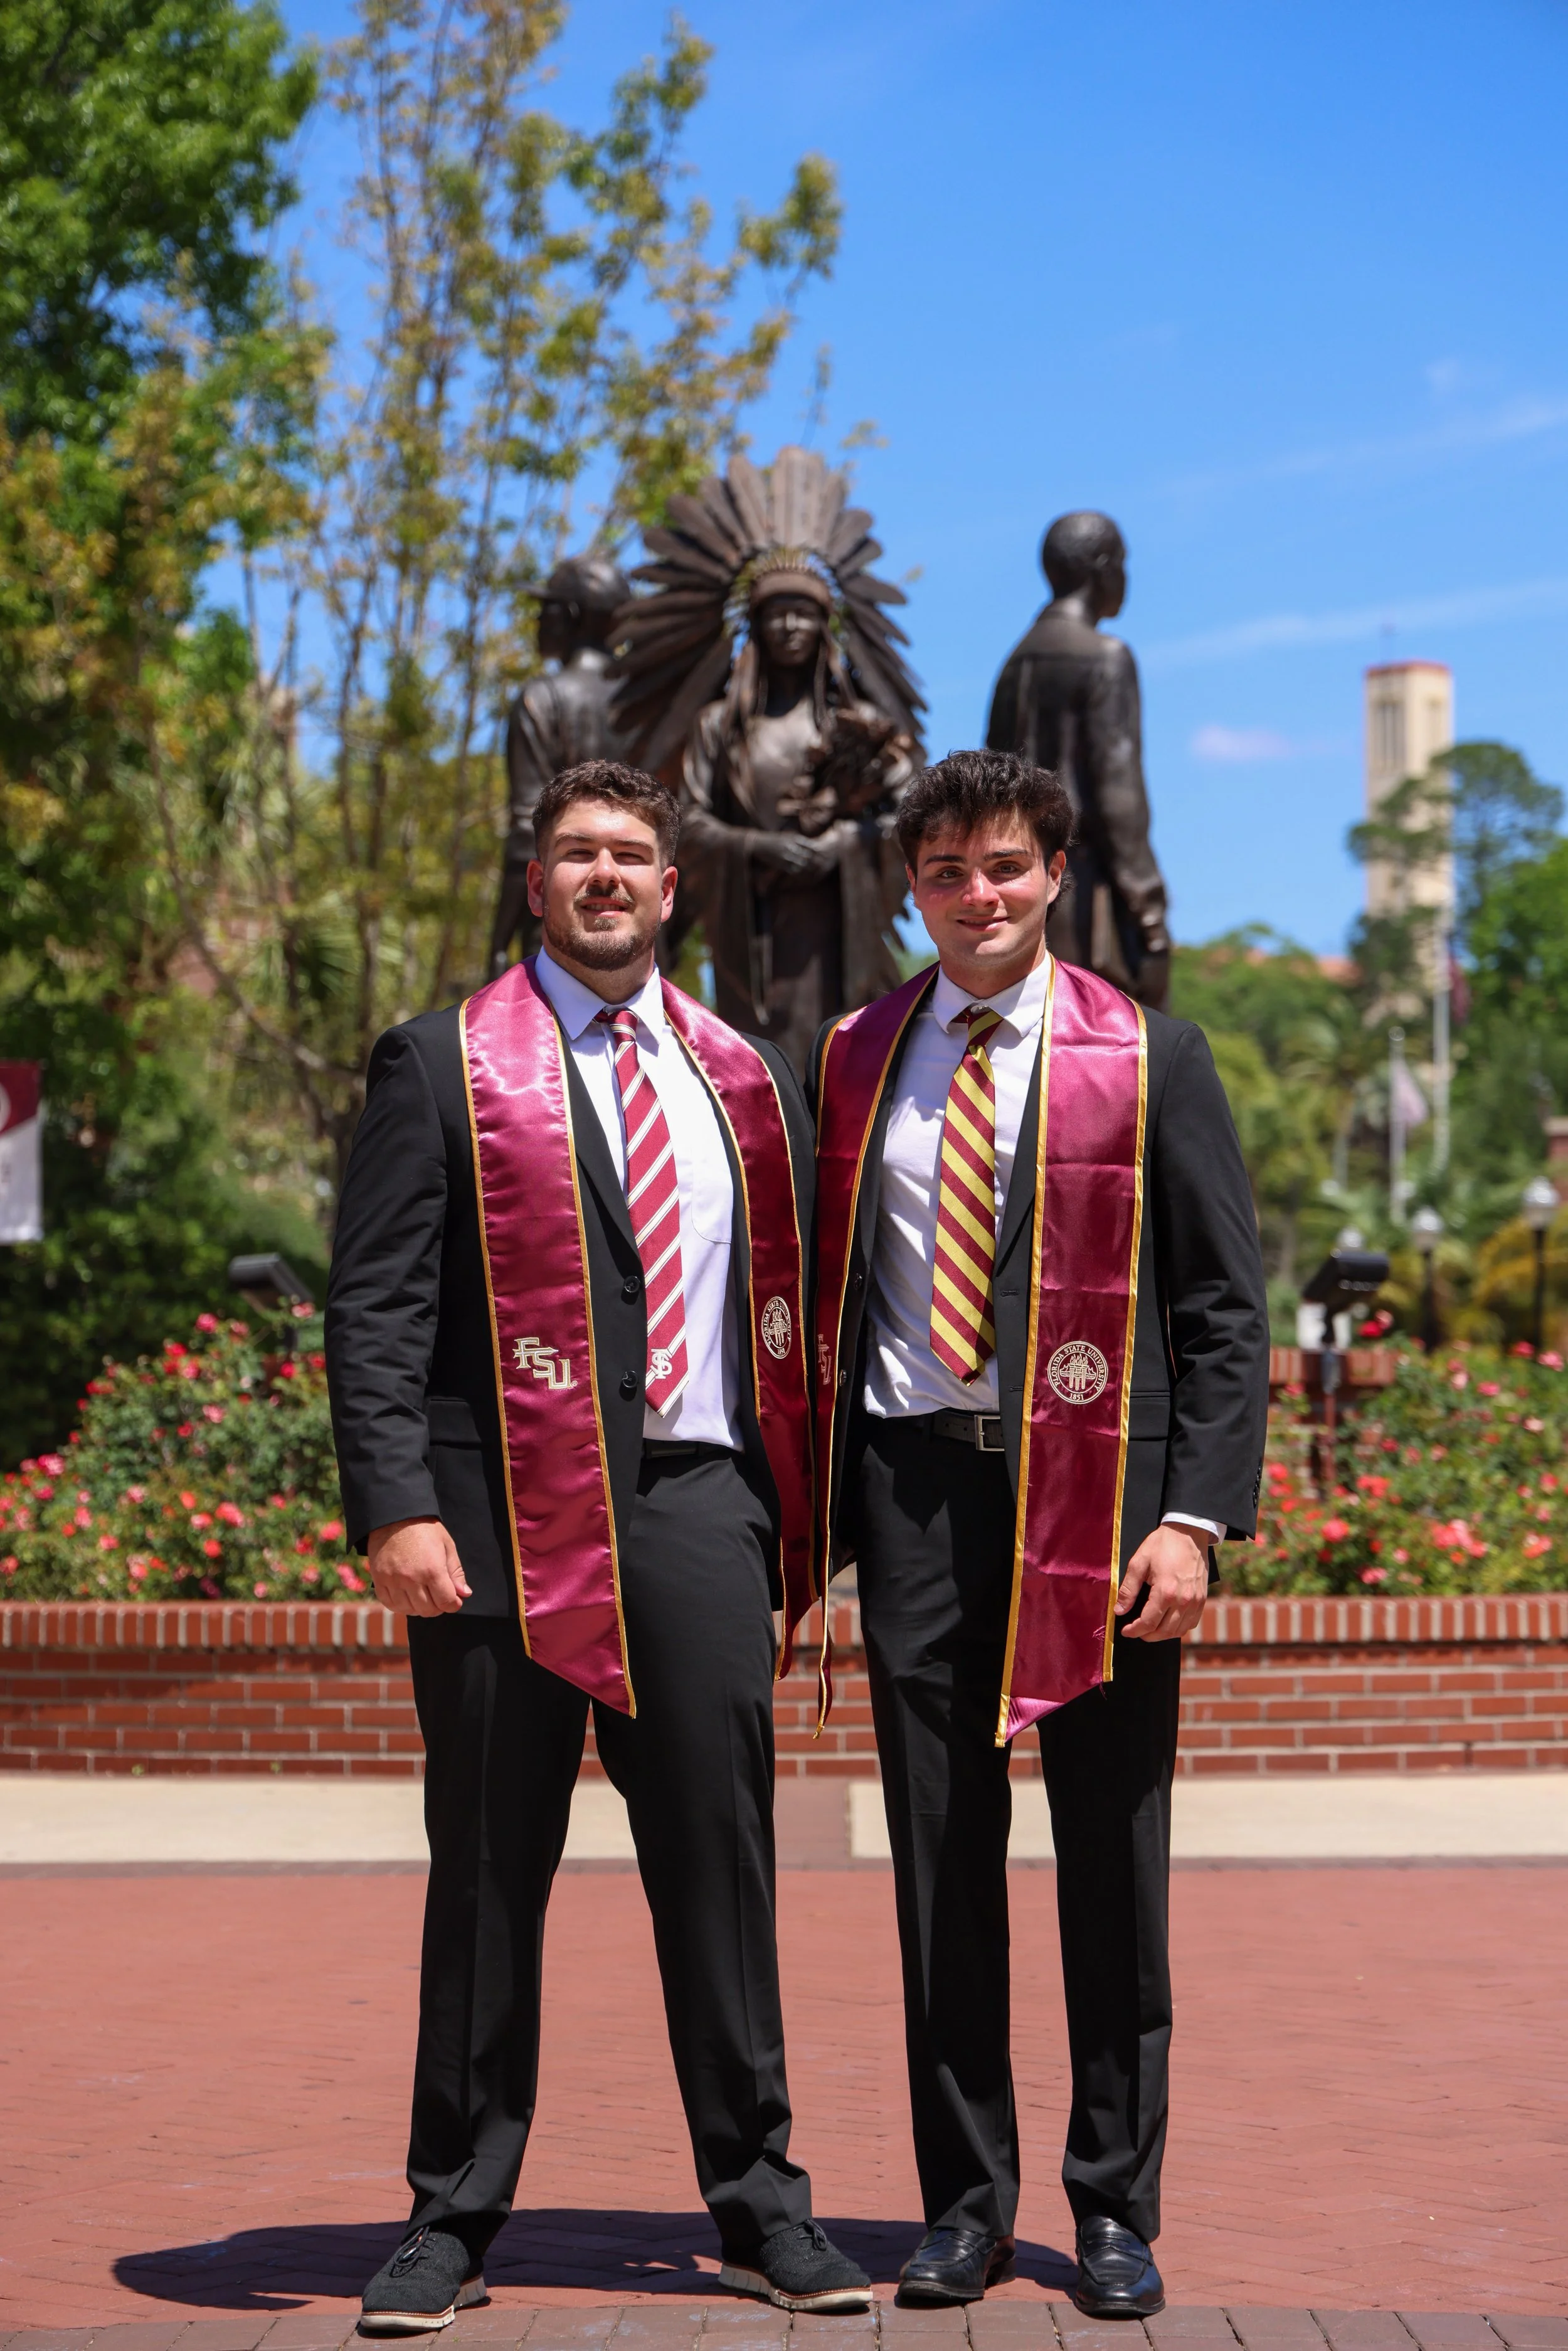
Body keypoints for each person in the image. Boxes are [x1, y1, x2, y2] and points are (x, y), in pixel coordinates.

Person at [327, 758, 870, 2328]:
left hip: (700, 1513)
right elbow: (373, 1304)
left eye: (632, 853)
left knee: (723, 1873)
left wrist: (786, 1520)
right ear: (536, 881)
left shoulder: (739, 1079)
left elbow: (790, 1311)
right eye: (578, 852)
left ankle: (764, 2206)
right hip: (498, 1523)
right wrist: (397, 1505)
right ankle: (451, 2213)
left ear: (671, 885)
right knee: (491, 1880)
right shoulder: (439, 1064)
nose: (607, 875)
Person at [812, 750, 1268, 2316]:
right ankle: (964, 2198)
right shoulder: (858, 1055)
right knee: (941, 1867)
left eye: (1003, 866)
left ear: (1052, 872)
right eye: (946, 873)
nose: (977, 896)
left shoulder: (1147, 1056)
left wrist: (1195, 1515)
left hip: (1102, 1504)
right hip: (919, 1497)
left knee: (1108, 1868)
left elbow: (1221, 1308)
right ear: (913, 890)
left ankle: (1115, 2203)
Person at [985, 512, 1171, 1011]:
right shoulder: (1105, 657)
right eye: (1124, 565)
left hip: (1019, 896)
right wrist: (1149, 909)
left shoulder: (1014, 663)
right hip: (1087, 894)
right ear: (1102, 568)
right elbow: (1118, 796)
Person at [489, 553, 631, 977]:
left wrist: (499, 940)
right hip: (641, 932)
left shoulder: (542, 698)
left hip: (560, 934)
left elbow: (524, 828)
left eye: (544, 610)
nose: (537, 622)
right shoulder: (653, 704)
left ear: (568, 616)